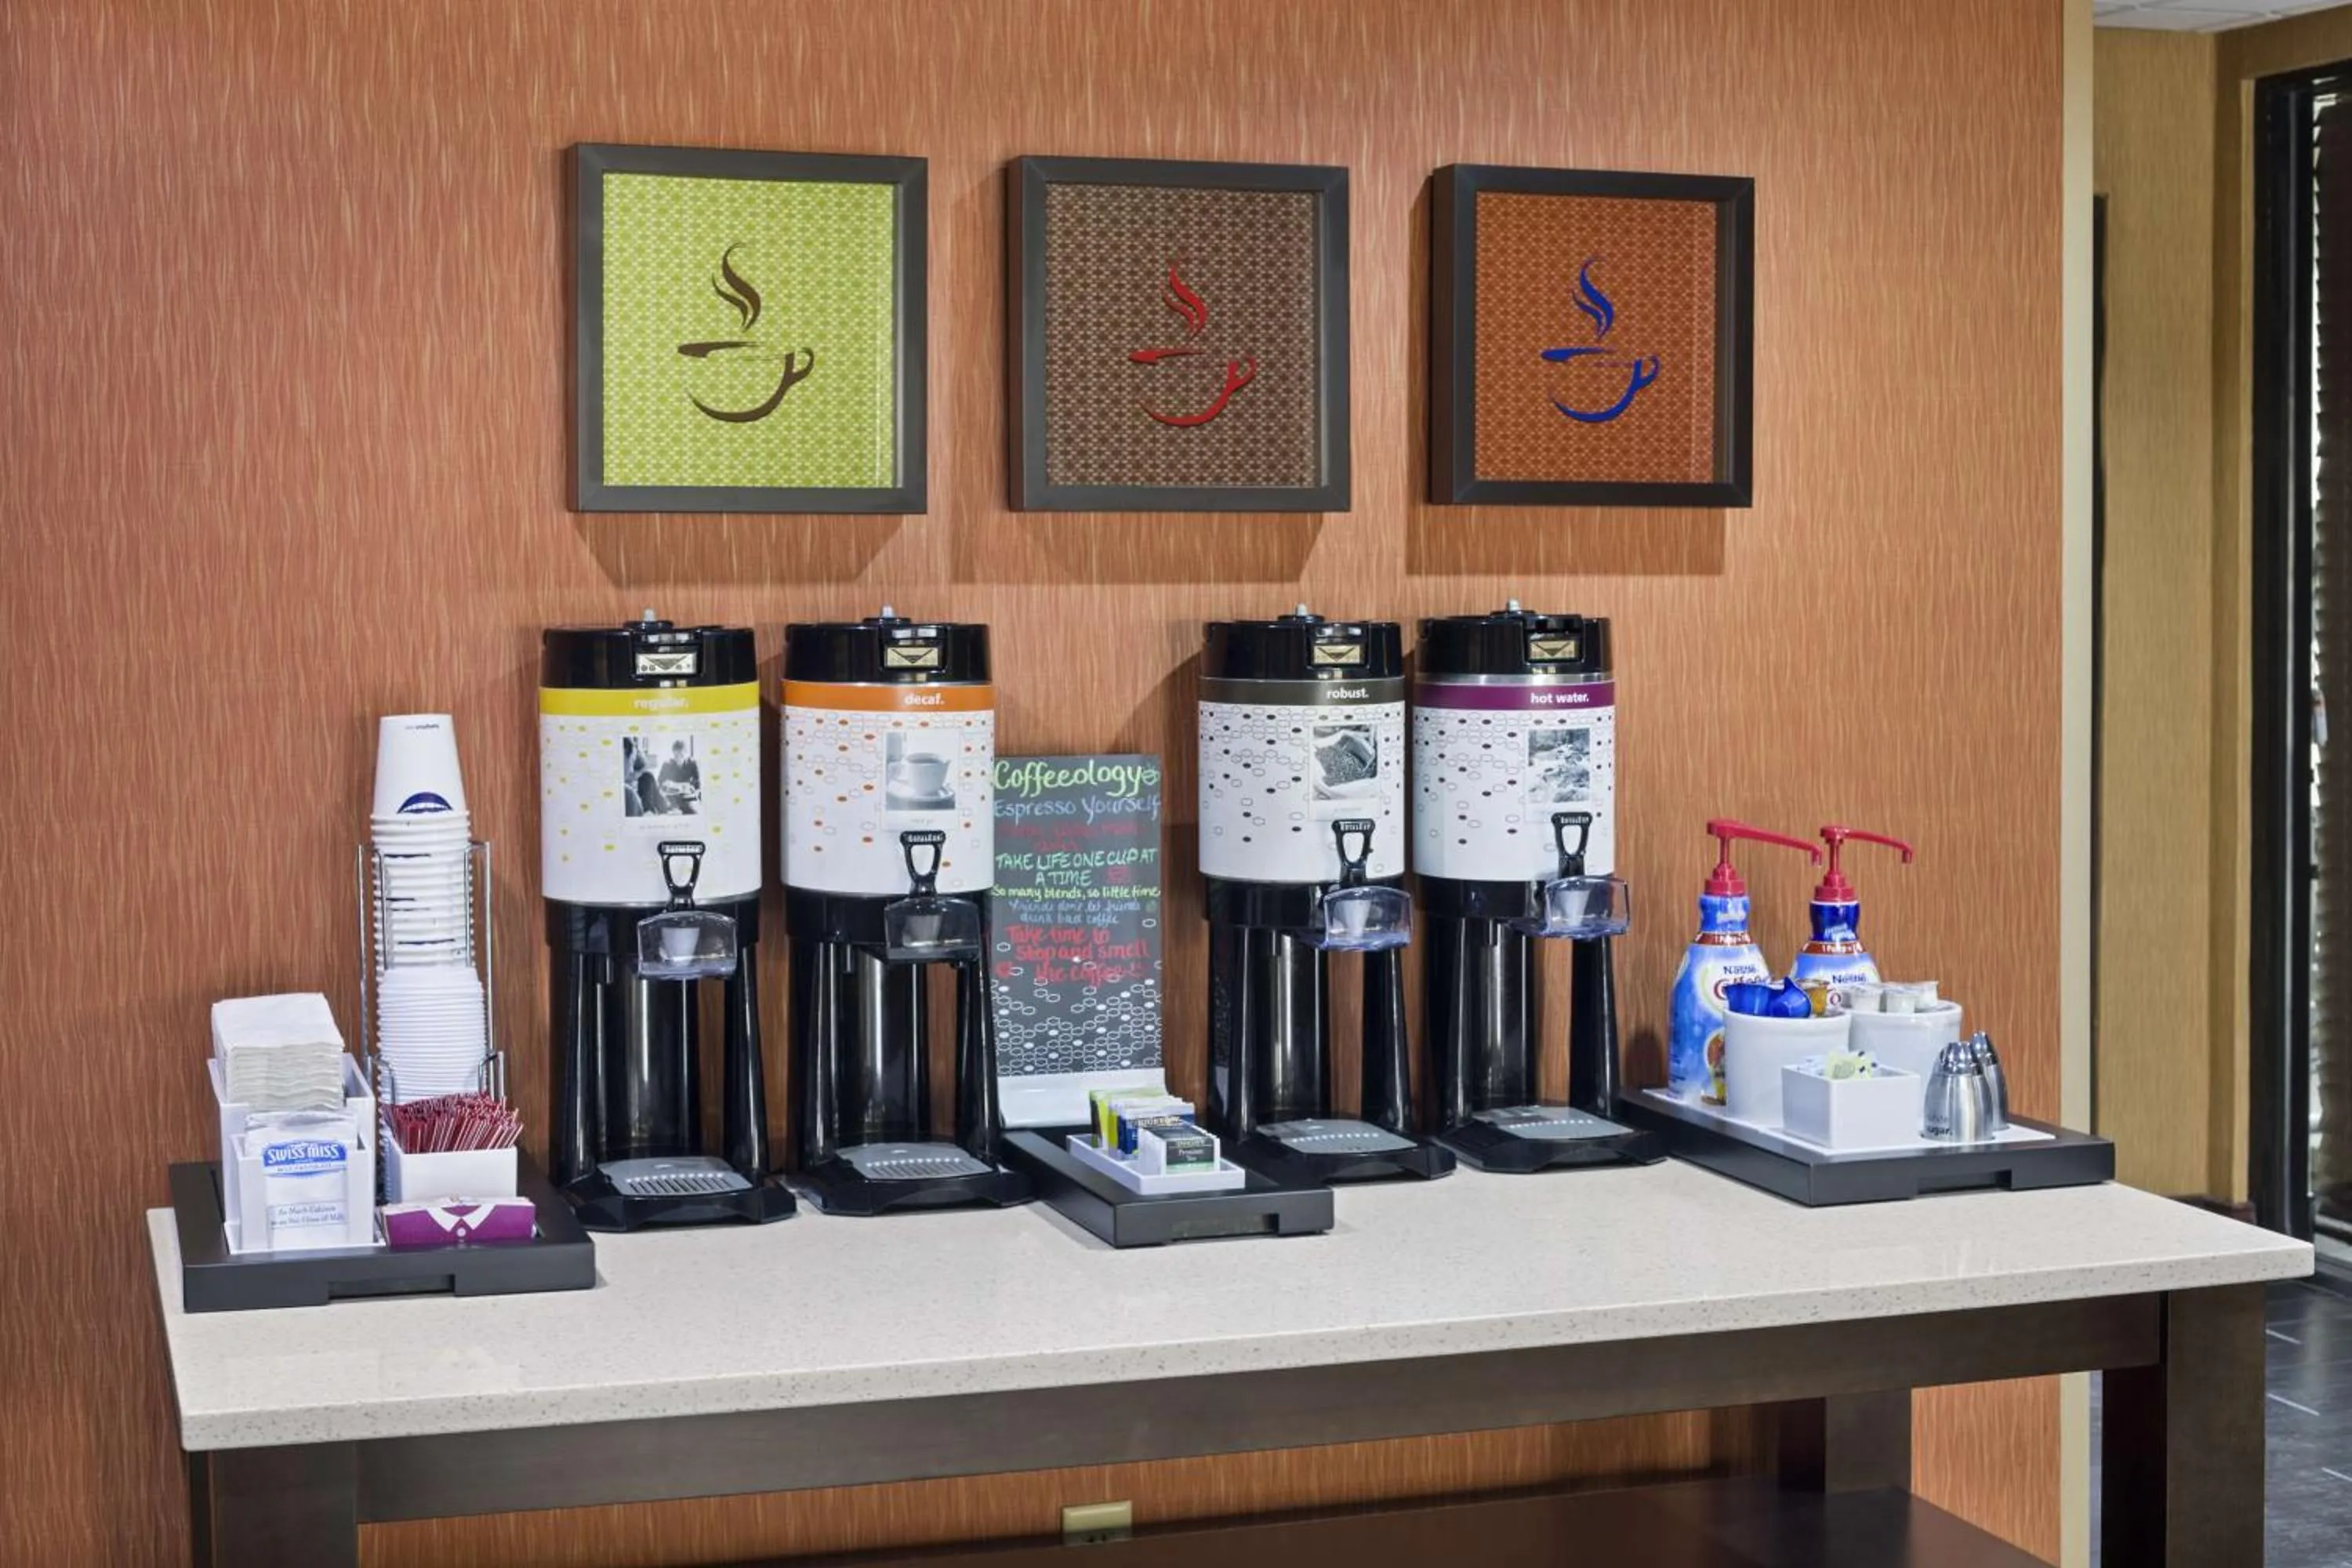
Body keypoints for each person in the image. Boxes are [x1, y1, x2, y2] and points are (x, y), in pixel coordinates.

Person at [657, 739, 702, 815]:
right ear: (673, 754)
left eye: (681, 755)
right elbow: (659, 783)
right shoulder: (667, 765)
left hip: (688, 797)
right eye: (676, 756)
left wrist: (690, 786)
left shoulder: (692, 764)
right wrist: (666, 784)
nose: (679, 758)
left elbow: (698, 784)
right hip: (672, 797)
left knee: (693, 811)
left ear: (686, 754)